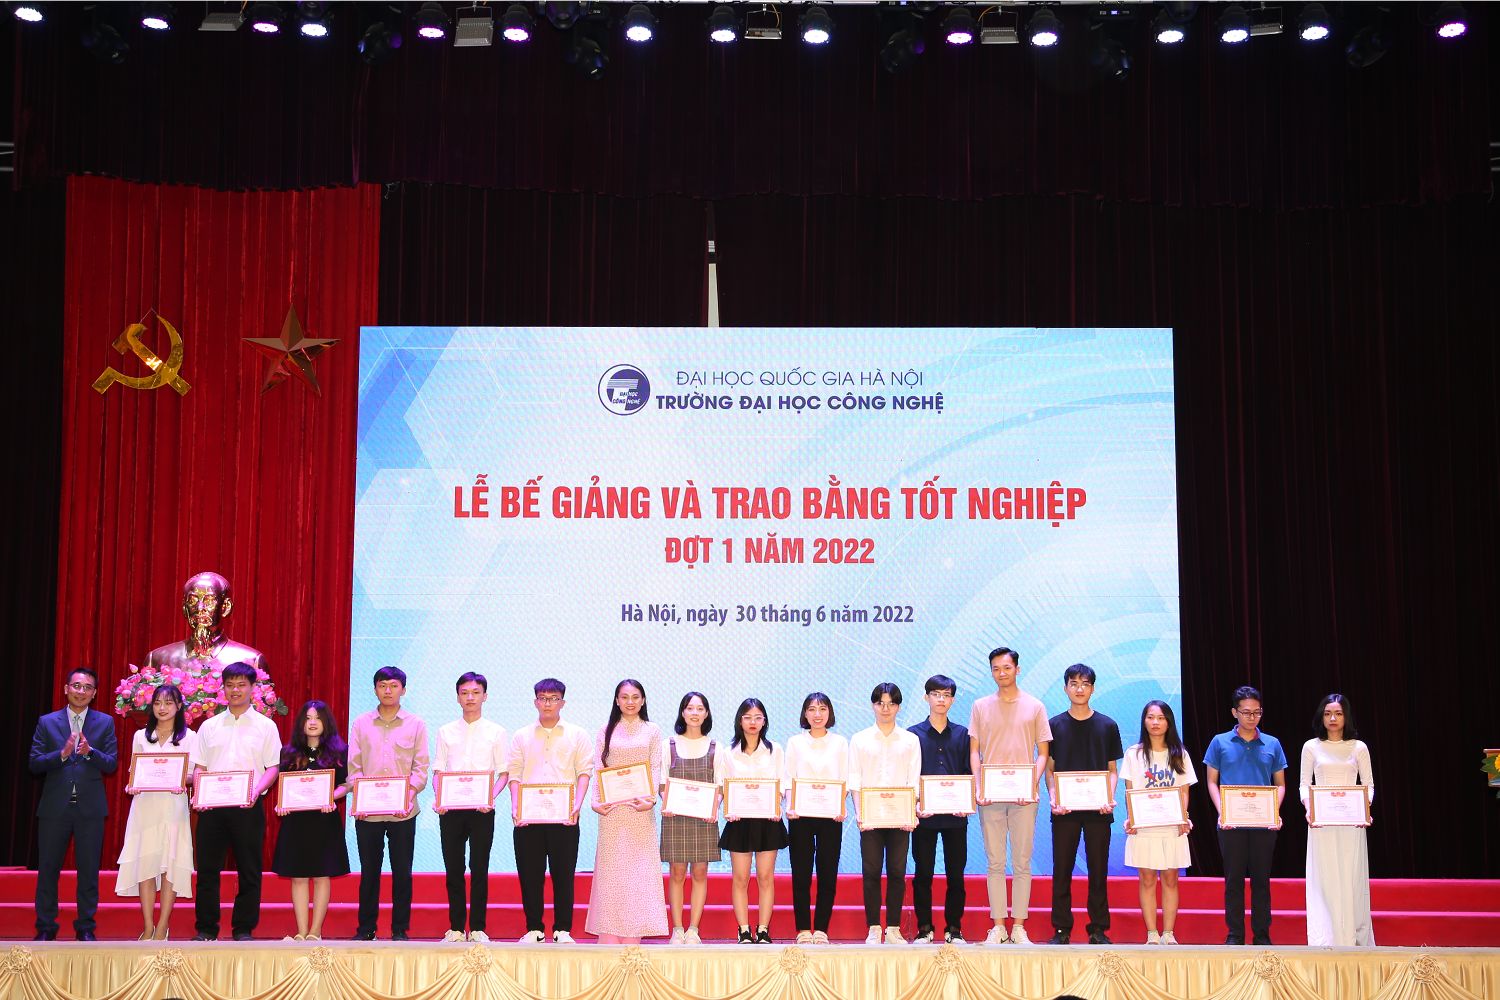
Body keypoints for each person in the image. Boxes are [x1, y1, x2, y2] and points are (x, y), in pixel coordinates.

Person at [190, 661, 282, 941]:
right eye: (230, 685)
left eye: (242, 685)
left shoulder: (266, 726)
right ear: (223, 688)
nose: (235, 690)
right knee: (207, 870)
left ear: (253, 688)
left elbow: (273, 767)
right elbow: (199, 766)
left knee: (249, 870)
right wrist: (199, 793)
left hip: (248, 807)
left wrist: (255, 791)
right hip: (212, 808)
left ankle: (243, 928)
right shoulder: (209, 726)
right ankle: (206, 929)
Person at [968, 646, 1052, 945]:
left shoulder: (1035, 706)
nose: (1001, 673)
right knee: (994, 862)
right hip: (990, 797)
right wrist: (979, 786)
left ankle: (1018, 926)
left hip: (1023, 798)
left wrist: (1031, 784)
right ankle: (998, 926)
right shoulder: (980, 706)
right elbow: (975, 751)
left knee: (1021, 863)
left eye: (1006, 667)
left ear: (1017, 669)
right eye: (996, 668)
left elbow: (1043, 753)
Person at [30, 667, 119, 941]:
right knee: (48, 869)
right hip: (54, 807)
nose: (81, 691)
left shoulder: (105, 722)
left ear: (94, 693)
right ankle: (46, 927)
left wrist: (90, 752)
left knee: (88, 871)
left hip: (90, 808)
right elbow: (34, 763)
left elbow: (111, 764)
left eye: (87, 687)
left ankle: (85, 927)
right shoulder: (47, 722)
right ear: (66, 688)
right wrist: (62, 754)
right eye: (77, 686)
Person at [508, 678, 593, 944]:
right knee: (530, 875)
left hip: (564, 817)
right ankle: (534, 928)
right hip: (528, 818)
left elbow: (584, 772)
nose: (548, 703)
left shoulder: (577, 734)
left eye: (553, 698)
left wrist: (577, 805)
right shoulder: (521, 736)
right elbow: (514, 774)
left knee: (563, 875)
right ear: (535, 702)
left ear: (562, 703)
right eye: (543, 698)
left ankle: (562, 929)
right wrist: (516, 806)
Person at [348, 665, 429, 941]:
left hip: (403, 812)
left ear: (403, 690)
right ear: (375, 689)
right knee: (369, 872)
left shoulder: (416, 724)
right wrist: (361, 798)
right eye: (382, 685)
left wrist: (409, 795)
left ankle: (399, 929)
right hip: (368, 813)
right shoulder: (361, 723)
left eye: (394, 686)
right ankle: (366, 929)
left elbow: (420, 768)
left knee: (402, 872)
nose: (388, 691)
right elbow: (354, 766)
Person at [1045, 663, 1122, 945]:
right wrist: (1054, 797)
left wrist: (1108, 797)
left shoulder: (1107, 725)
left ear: (1093, 688)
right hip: (1064, 810)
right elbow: (1049, 769)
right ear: (1065, 688)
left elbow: (1112, 770)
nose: (1079, 689)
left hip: (1098, 810)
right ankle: (1061, 929)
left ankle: (1098, 929)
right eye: (1074, 684)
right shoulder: (1054, 725)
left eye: (1085, 684)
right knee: (1062, 869)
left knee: (1098, 870)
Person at [1204, 684, 1287, 946]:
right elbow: (1211, 782)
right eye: (1246, 712)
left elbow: (1280, 784)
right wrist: (1223, 812)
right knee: (1234, 880)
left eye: (1257, 712)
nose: (1252, 717)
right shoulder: (1220, 742)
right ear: (1234, 713)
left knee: (1262, 880)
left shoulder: (1272, 743)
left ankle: (1262, 935)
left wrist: (1274, 811)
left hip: (1263, 824)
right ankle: (1235, 935)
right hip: (1231, 824)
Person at [586, 679, 668, 943]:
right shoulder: (606, 730)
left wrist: (651, 800)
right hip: (612, 812)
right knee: (612, 874)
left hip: (640, 811)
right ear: (617, 701)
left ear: (643, 701)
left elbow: (654, 767)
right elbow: (598, 767)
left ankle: (634, 934)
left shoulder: (652, 730)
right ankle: (609, 932)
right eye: (624, 697)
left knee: (638, 874)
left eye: (635, 697)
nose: (630, 702)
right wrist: (595, 801)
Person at [432, 672, 509, 943]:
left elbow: (503, 774)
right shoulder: (445, 731)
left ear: (485, 696)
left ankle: (477, 928)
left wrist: (490, 798)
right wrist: (439, 798)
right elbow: (438, 771)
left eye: (476, 693)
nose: (470, 698)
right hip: (451, 811)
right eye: (464, 693)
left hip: (482, 812)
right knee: (453, 869)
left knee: (479, 869)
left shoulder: (496, 732)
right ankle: (455, 928)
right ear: (457, 697)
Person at [116, 683, 196, 940]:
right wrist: (132, 785)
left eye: (169, 703)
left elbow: (194, 774)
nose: (162, 708)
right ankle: (148, 925)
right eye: (158, 703)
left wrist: (182, 779)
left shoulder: (190, 737)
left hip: (173, 807)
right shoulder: (141, 736)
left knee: (169, 864)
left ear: (179, 706)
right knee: (146, 864)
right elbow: (134, 771)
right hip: (145, 807)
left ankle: (162, 926)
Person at [849, 682, 922, 946]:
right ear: (873, 705)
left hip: (899, 818)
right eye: (880, 703)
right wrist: (860, 814)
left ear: (898, 707)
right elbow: (854, 779)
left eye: (891, 703)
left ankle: (893, 928)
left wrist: (910, 813)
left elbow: (913, 779)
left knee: (897, 872)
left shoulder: (910, 740)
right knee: (870, 872)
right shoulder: (859, 739)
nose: (886, 708)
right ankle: (873, 928)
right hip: (870, 818)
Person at [271, 700, 351, 941]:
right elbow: (285, 786)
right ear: (301, 723)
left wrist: (331, 796)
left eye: (318, 718)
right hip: (296, 822)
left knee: (321, 875)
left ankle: (315, 931)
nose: (313, 722)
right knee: (298, 876)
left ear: (326, 722)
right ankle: (301, 930)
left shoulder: (340, 751)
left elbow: (347, 784)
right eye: (308, 718)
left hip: (324, 820)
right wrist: (281, 804)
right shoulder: (289, 752)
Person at [1300, 694, 1374, 947]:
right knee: (1325, 878)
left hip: (1352, 822)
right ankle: (1325, 938)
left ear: (1346, 717)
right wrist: (1309, 808)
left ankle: (1353, 937)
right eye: (1328, 713)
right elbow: (1304, 784)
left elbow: (1368, 785)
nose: (1333, 718)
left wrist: (1364, 808)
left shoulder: (1359, 747)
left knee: (1351, 878)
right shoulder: (1311, 747)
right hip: (1321, 823)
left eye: (1338, 713)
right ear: (1321, 717)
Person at [1121, 700, 1195, 945]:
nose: (1155, 722)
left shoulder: (1179, 753)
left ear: (1168, 722)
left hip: (1172, 826)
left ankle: (1169, 933)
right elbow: (1130, 791)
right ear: (1144, 721)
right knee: (1147, 878)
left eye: (1161, 718)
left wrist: (1182, 818)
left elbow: (1184, 791)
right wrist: (1132, 818)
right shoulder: (1133, 754)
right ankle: (1152, 933)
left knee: (1171, 878)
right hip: (1145, 826)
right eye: (1151, 717)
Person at [716, 697, 788, 944]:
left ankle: (764, 929)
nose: (753, 722)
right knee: (740, 878)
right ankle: (744, 930)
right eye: (747, 717)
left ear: (764, 721)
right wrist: (727, 808)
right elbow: (723, 786)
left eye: (758, 717)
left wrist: (776, 802)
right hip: (739, 822)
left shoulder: (775, 750)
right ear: (740, 721)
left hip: (768, 821)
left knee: (766, 877)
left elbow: (782, 783)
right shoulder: (728, 753)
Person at [910, 674, 972, 944]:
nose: (941, 699)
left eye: (946, 695)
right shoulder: (912, 735)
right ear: (926, 697)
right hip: (924, 816)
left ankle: (954, 928)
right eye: (936, 694)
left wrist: (966, 802)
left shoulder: (963, 734)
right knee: (923, 874)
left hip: (955, 817)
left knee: (955, 875)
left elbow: (969, 772)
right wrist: (915, 803)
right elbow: (909, 775)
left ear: (953, 700)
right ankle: (925, 928)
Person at [783, 692, 847, 945]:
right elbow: (788, 777)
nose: (817, 714)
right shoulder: (795, 743)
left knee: (827, 872)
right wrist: (791, 806)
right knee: (801, 873)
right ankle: (802, 929)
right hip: (800, 815)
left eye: (822, 709)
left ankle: (821, 929)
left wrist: (840, 805)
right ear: (805, 714)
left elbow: (844, 778)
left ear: (829, 712)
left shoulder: (840, 743)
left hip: (830, 816)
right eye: (811, 709)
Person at [660, 691, 721, 945]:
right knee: (676, 872)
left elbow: (719, 785)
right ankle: (677, 929)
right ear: (682, 712)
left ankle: (693, 929)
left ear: (706, 714)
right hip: (675, 816)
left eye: (700, 709)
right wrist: (666, 802)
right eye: (690, 708)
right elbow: (662, 782)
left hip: (703, 819)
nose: (694, 713)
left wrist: (714, 808)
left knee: (700, 871)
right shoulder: (669, 744)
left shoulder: (715, 747)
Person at [145, 571, 266, 677]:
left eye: (209, 601)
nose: (200, 608)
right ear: (185, 609)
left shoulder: (250, 660)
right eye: (192, 601)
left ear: (226, 607)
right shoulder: (157, 658)